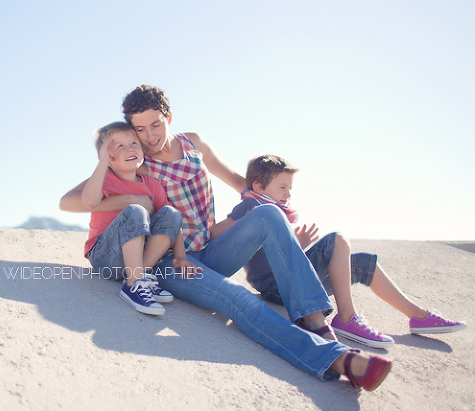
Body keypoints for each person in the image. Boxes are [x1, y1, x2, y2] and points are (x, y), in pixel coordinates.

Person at [60, 85, 392, 391]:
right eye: (140, 130)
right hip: (174, 262)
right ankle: (335, 358)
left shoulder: (193, 143)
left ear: (169, 118)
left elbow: (236, 181)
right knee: (240, 300)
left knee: (268, 213)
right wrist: (131, 200)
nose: (149, 136)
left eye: (156, 125)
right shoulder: (138, 164)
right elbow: (72, 201)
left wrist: (274, 209)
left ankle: (316, 322)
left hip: (214, 249)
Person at [214, 154, 466, 349]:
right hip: (274, 286)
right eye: (282, 188)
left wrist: (298, 245)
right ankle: (346, 318)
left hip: (287, 281)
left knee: (363, 263)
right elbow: (219, 232)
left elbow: (279, 253)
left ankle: (418, 316)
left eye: (290, 188)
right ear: (259, 187)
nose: (288, 194)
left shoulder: (277, 212)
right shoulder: (252, 205)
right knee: (337, 241)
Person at [82, 122, 202, 316]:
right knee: (136, 210)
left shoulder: (152, 185)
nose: (129, 148)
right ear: (109, 156)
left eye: (133, 143)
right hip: (105, 258)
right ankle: (133, 284)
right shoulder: (105, 179)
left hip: (138, 260)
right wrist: (102, 162)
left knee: (171, 213)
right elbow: (89, 201)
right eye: (119, 146)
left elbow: (172, 223)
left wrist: (180, 256)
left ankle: (139, 277)